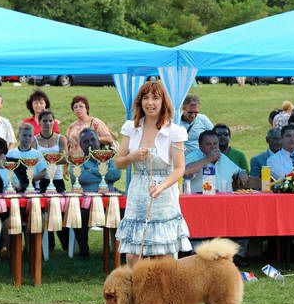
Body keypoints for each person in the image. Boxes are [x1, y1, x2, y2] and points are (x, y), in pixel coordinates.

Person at [115, 81, 191, 267]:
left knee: (163, 256)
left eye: (155, 98)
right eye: (146, 98)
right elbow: (119, 163)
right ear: (140, 102)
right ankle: (137, 294)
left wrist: (162, 187)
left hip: (164, 195)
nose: (150, 103)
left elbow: (179, 168)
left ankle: (165, 295)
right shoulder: (130, 128)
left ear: (163, 101)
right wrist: (132, 157)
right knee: (133, 255)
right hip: (138, 194)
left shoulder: (174, 131)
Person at [72, 128, 122, 258]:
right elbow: (80, 178)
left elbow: (116, 174)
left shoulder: (109, 157)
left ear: (98, 141)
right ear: (81, 145)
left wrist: (91, 169)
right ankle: (84, 250)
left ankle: (121, 249)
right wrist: (103, 174)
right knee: (77, 213)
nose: (89, 143)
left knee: (124, 211)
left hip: (110, 203)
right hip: (87, 205)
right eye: (85, 141)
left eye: (92, 139)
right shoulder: (77, 160)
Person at [7, 123, 46, 192]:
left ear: (33, 138)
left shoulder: (37, 154)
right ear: (18, 136)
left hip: (33, 189)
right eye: (24, 135)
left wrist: (30, 180)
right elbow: (5, 171)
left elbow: (43, 172)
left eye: (30, 136)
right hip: (14, 189)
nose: (27, 138)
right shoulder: (10, 153)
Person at [35, 110, 68, 193]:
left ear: (54, 122)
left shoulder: (61, 139)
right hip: (40, 180)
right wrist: (54, 159)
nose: (48, 123)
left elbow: (64, 159)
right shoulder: (34, 140)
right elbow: (33, 160)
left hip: (57, 179)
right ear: (39, 122)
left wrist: (43, 159)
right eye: (44, 121)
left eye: (50, 121)